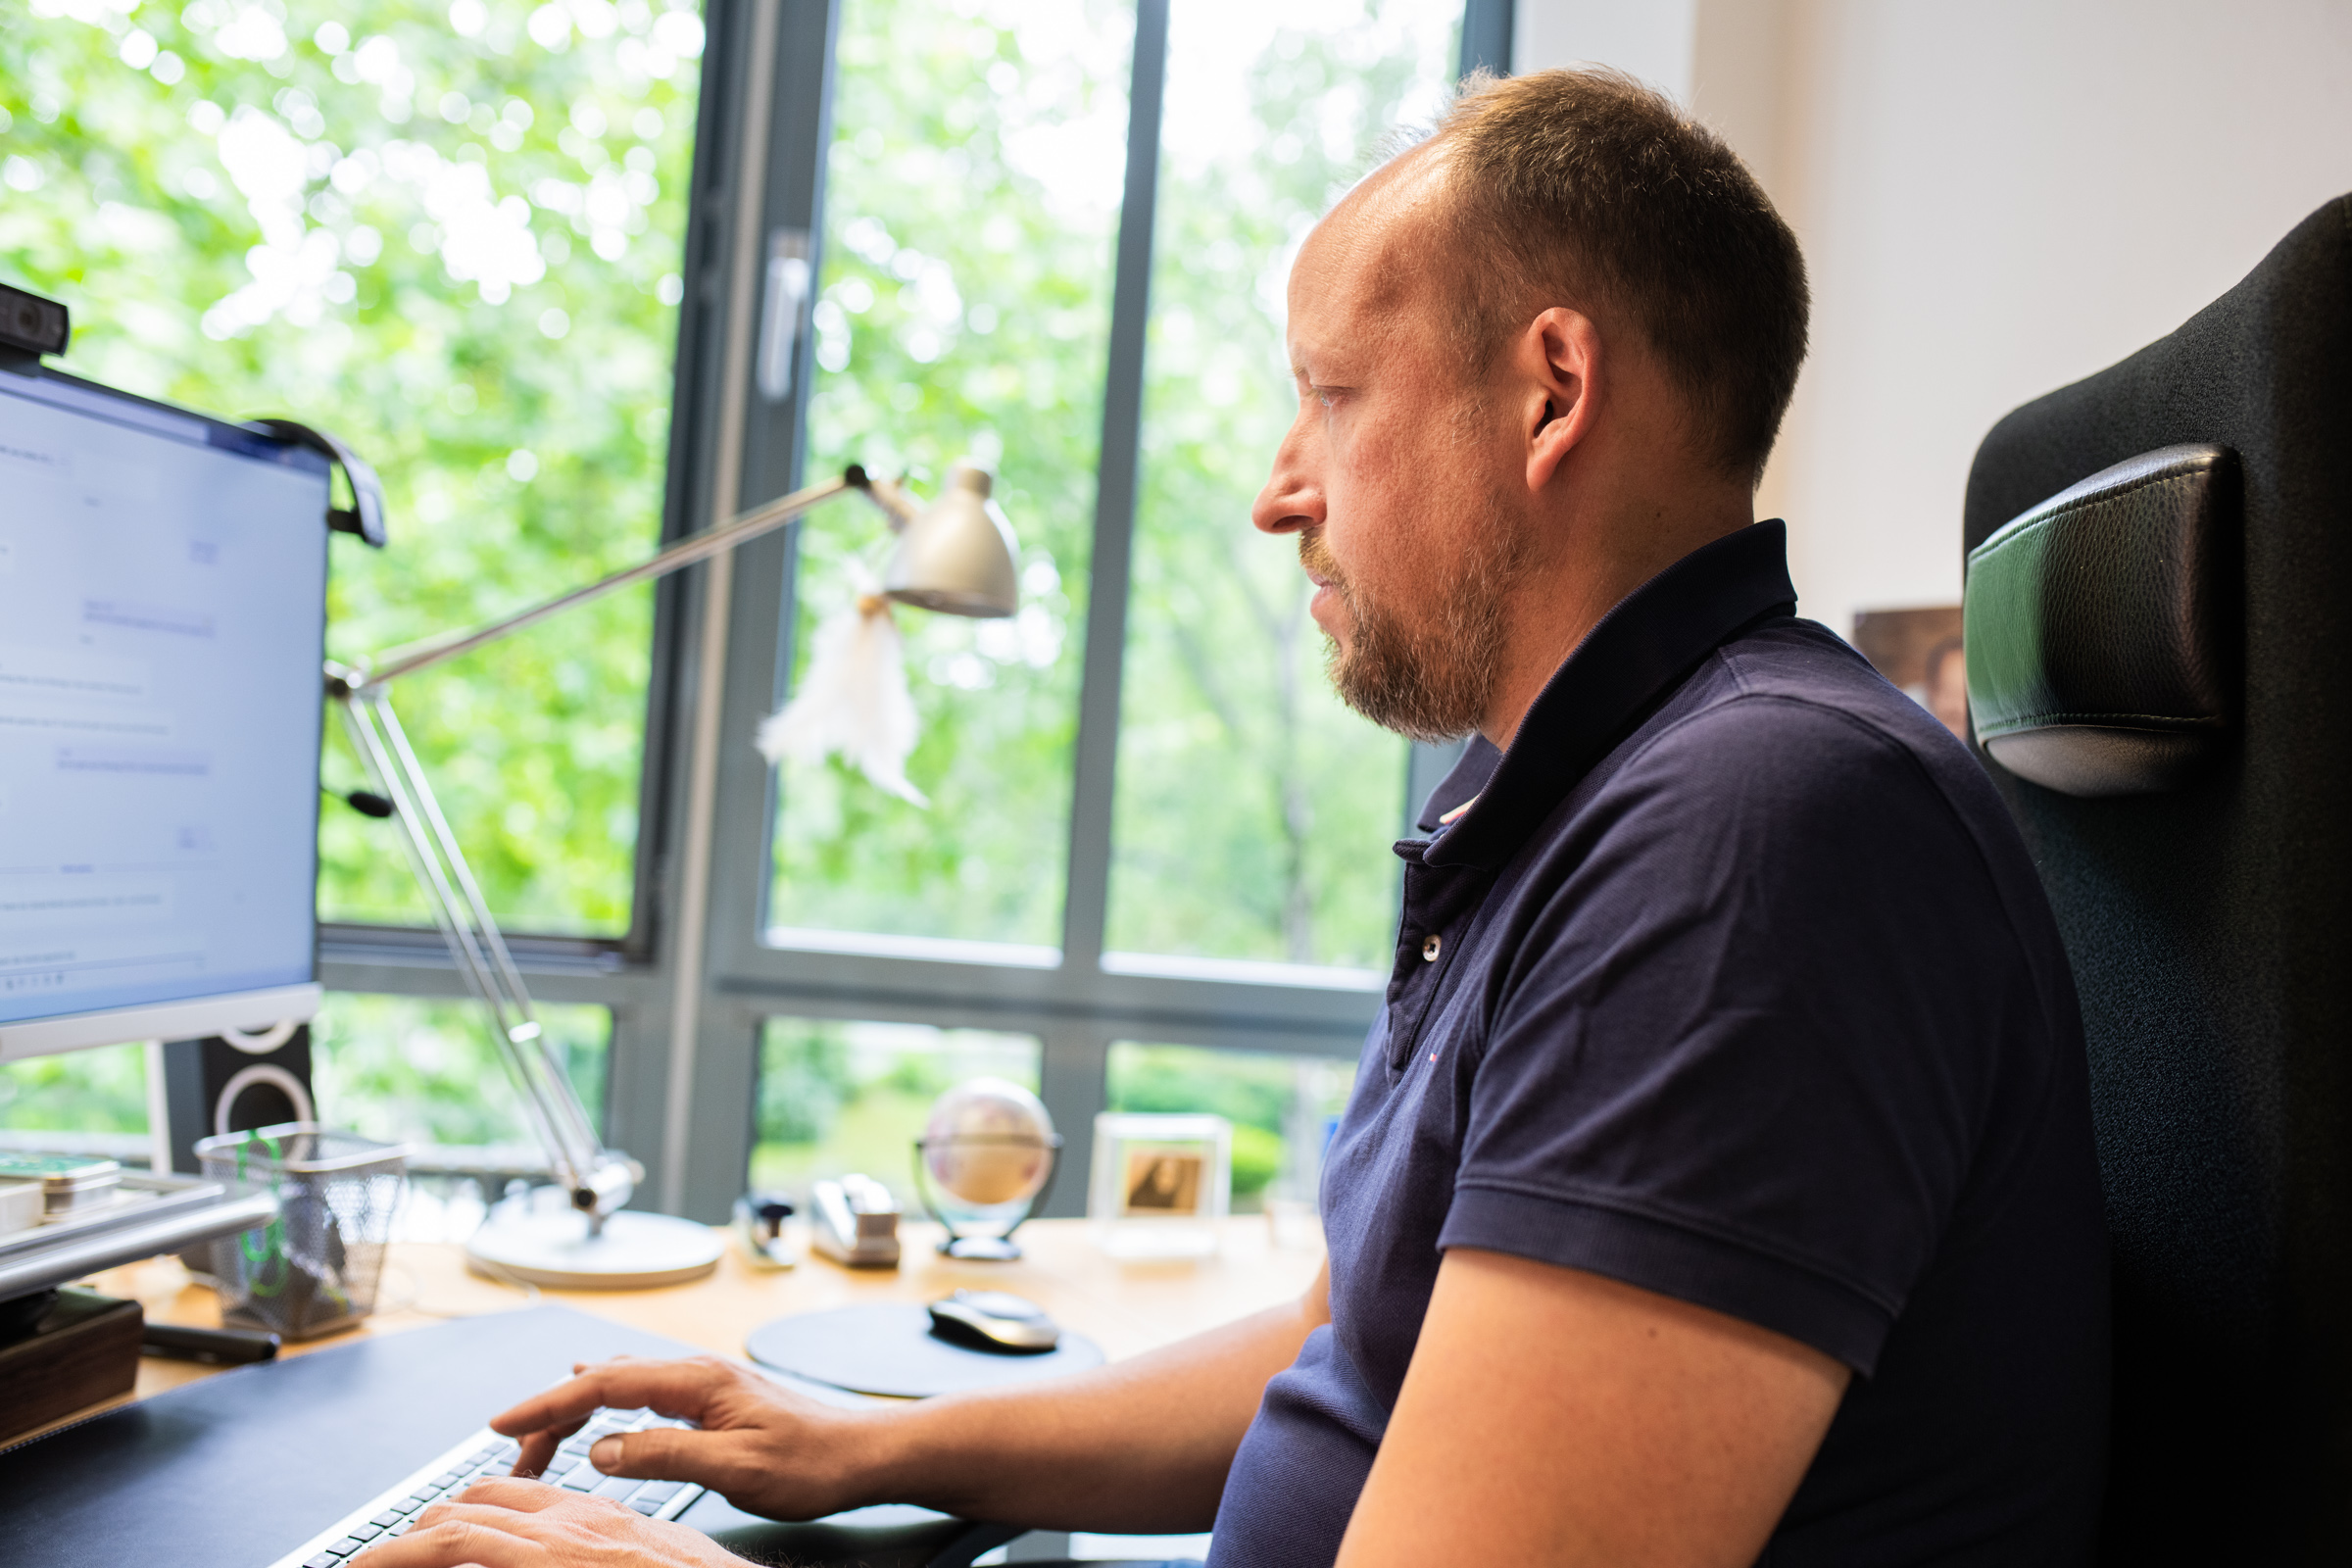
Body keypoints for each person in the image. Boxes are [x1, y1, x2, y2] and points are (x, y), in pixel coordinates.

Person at [366, 67, 2106, 1568]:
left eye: (1330, 396)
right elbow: (1359, 1335)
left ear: (1551, 393)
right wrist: (860, 1443)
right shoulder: (1605, 793)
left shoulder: (1753, 837)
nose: (1281, 488)